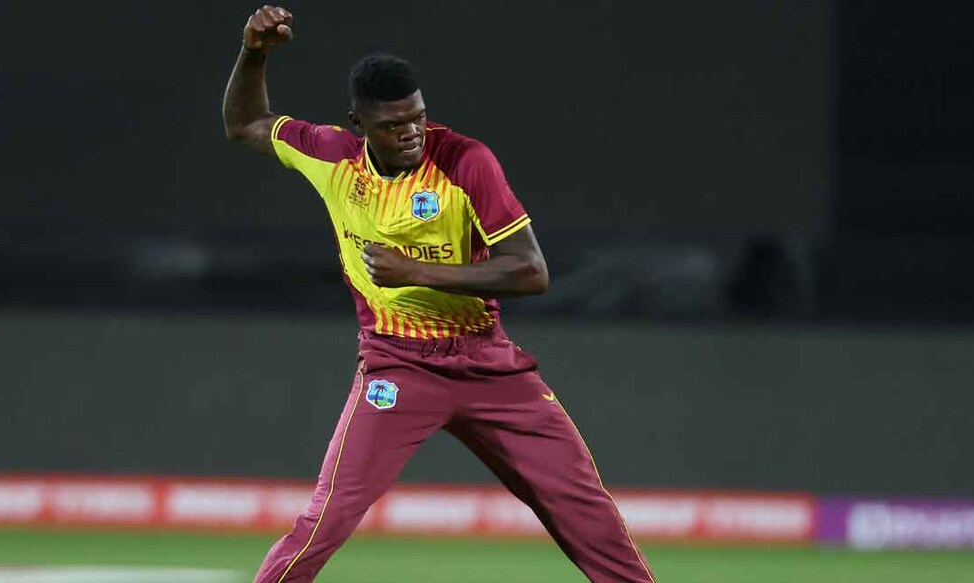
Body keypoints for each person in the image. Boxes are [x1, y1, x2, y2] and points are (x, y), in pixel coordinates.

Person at [222, 6, 655, 582]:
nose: (411, 133)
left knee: (587, 512)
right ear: (359, 123)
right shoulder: (331, 156)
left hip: (488, 365)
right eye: (394, 125)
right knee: (326, 518)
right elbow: (245, 124)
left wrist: (416, 272)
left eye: (418, 118)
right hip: (397, 365)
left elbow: (531, 271)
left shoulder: (465, 162)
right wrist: (253, 53)